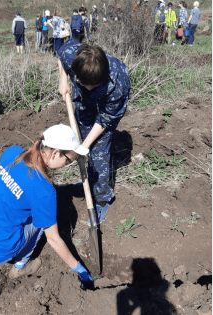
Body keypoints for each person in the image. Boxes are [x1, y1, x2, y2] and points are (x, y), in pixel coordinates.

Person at [0, 124, 94, 285]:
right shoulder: (44, 190)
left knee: (0, 195)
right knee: (42, 220)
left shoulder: (12, 152)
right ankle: (19, 267)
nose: (68, 164)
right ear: (56, 153)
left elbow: (22, 182)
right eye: (69, 160)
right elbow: (53, 239)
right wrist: (79, 268)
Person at [56, 39, 131, 225]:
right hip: (84, 102)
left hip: (107, 106)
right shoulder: (72, 55)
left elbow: (105, 120)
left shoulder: (118, 84)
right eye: (82, 82)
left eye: (92, 85)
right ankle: (90, 182)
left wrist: (85, 146)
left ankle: (102, 198)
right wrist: (63, 79)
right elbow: (60, 54)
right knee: (83, 129)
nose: (87, 86)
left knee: (97, 150)